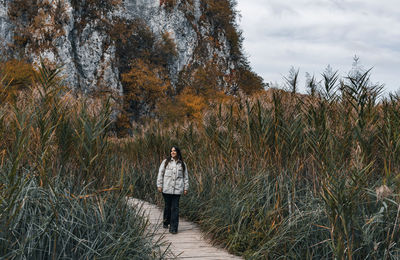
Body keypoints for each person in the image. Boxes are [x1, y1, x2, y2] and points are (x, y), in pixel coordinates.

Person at [157, 146, 189, 234]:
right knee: (168, 206)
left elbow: (185, 177)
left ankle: (174, 228)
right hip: (167, 189)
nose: (172, 152)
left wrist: (186, 188)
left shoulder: (182, 164)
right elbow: (160, 174)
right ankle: (166, 221)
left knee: (175, 208)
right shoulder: (166, 162)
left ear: (178, 152)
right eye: (171, 151)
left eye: (174, 151)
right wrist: (159, 185)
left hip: (177, 190)